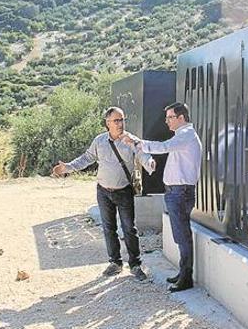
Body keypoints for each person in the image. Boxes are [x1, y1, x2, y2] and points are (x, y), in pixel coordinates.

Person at [52, 107, 154, 282]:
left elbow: (143, 154)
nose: (120, 123)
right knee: (109, 228)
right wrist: (67, 167)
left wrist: (150, 163)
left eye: (122, 120)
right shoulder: (99, 141)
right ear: (108, 123)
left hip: (123, 191)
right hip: (103, 191)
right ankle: (115, 262)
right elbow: (86, 158)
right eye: (116, 120)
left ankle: (135, 264)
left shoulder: (131, 140)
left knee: (129, 228)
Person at [124, 102, 202, 292]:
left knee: (182, 236)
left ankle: (186, 277)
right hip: (178, 192)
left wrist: (136, 143)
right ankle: (184, 272)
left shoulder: (185, 135)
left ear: (181, 117)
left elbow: (162, 147)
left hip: (180, 192)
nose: (167, 121)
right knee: (180, 234)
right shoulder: (183, 136)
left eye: (170, 117)